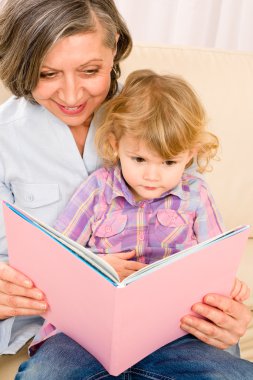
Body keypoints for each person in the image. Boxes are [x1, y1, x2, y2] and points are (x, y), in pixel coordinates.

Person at [0, 0, 251, 379]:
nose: (71, 96)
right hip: (70, 336)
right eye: (46, 73)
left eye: (90, 70)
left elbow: (207, 249)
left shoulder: (158, 115)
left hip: (175, 330)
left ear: (114, 45)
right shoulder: (7, 139)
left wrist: (229, 317)